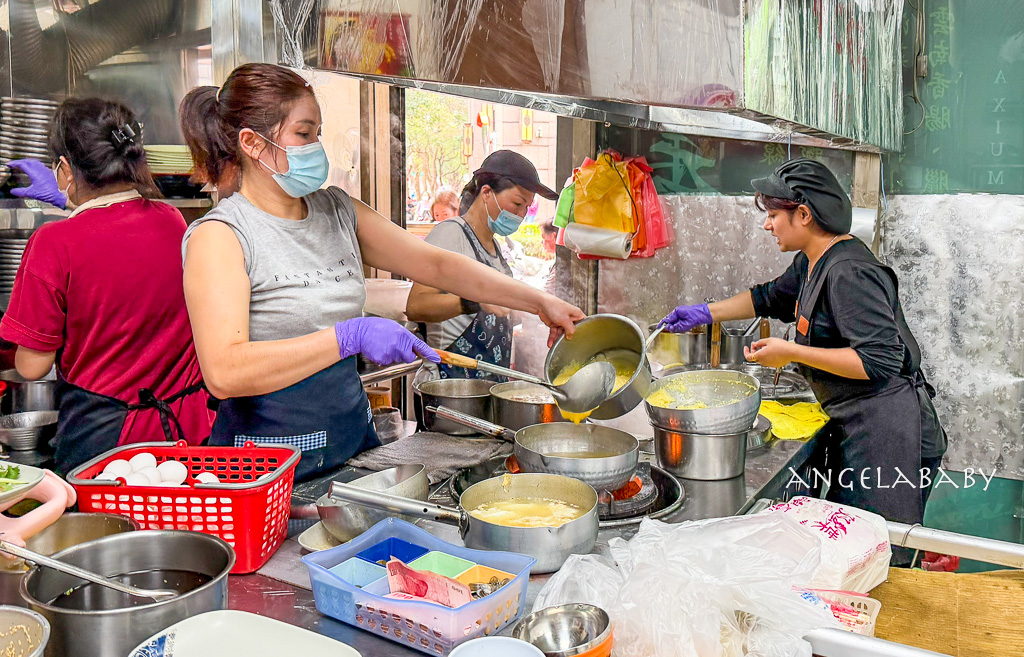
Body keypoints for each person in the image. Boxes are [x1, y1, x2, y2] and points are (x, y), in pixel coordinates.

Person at [179, 64, 583, 481]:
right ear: (252, 143)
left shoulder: (337, 210)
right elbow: (225, 372)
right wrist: (348, 337)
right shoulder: (221, 236)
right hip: (262, 474)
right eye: (303, 134)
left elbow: (437, 264)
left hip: (352, 450)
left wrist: (539, 302)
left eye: (317, 133)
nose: (316, 147)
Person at [660, 159, 947, 550]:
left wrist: (791, 351)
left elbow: (879, 362)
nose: (767, 225)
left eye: (774, 215)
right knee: (848, 551)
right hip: (859, 422)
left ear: (805, 214)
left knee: (875, 555)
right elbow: (768, 297)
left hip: (889, 432)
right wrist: (705, 313)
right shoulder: (813, 260)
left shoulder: (849, 272)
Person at [0, 98, 213, 474]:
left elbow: (31, 367)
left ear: (64, 169)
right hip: (186, 437)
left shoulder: (54, 243)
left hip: (109, 452)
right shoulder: (172, 219)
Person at [405, 150, 559, 381]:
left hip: (488, 385)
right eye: (517, 203)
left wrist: (539, 312)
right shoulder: (450, 234)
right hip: (451, 386)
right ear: (486, 193)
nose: (521, 214)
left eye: (527, 207)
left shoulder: (494, 247)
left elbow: (499, 310)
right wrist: (473, 301)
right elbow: (417, 305)